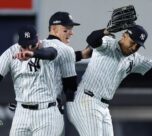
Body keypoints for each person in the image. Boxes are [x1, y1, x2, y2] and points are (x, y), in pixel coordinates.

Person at [66, 24, 152, 136]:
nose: (134, 48)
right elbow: (92, 40)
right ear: (124, 36)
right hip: (86, 100)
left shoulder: (134, 59)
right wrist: (105, 31)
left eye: (138, 46)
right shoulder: (109, 44)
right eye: (132, 43)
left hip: (103, 107)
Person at [0, 25, 64, 136]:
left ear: (37, 39)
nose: (28, 47)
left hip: (47, 112)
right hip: (22, 112)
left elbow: (52, 53)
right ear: (19, 43)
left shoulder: (48, 46)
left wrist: (32, 53)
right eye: (24, 45)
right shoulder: (11, 53)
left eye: (32, 44)